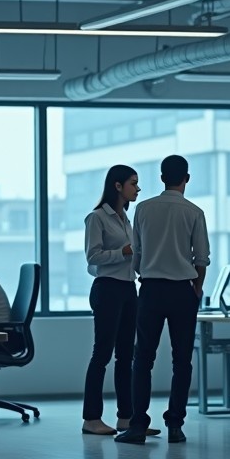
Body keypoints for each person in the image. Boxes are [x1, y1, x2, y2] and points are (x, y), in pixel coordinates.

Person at [115, 155, 210, 445]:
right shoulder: (194, 212)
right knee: (182, 361)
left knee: (142, 359)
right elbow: (201, 259)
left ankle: (137, 426)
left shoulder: (143, 209)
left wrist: (144, 275)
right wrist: (196, 289)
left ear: (161, 177)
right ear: (187, 178)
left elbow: (138, 252)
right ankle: (175, 426)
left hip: (151, 290)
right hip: (183, 290)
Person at [81, 164, 150, 436]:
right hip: (107, 288)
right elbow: (92, 258)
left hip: (127, 288)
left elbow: (132, 255)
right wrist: (123, 251)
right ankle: (91, 418)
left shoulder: (126, 220)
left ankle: (126, 417)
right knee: (102, 354)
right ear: (118, 186)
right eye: (134, 183)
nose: (138, 188)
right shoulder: (97, 218)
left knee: (126, 356)